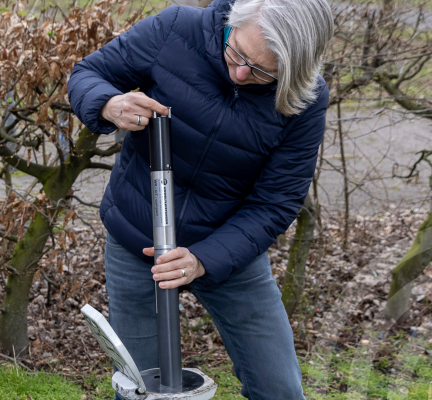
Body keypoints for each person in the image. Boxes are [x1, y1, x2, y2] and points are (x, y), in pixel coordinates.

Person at [68, 0, 333, 398]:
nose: (241, 73)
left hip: (228, 247)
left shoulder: (305, 98)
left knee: (280, 388)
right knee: (141, 387)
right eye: (237, 52)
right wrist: (108, 103)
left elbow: (276, 202)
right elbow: (88, 73)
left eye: (262, 71)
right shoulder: (177, 29)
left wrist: (204, 259)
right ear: (231, 23)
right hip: (137, 233)